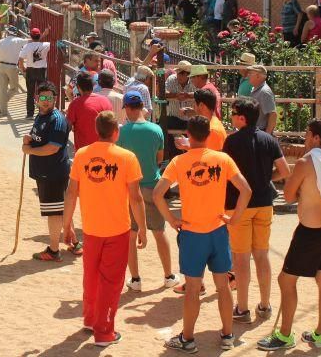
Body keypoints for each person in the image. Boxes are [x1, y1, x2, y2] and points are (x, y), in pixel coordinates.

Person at [154, 116, 252, 353]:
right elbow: (246, 190)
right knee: (223, 286)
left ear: (189, 134)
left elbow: (158, 194)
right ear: (209, 134)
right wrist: (235, 218)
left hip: (192, 233)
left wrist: (172, 220)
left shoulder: (179, 161)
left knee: (192, 288)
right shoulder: (223, 159)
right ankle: (228, 335)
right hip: (218, 231)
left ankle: (187, 339)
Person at [63, 111, 147, 347]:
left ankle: (90, 320)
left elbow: (71, 192)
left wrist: (67, 224)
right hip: (117, 228)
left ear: (96, 129)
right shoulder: (126, 157)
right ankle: (104, 332)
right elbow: (136, 197)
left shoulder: (81, 155)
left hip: (91, 228)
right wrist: (142, 227)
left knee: (90, 277)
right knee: (111, 282)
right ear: (116, 132)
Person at [257, 118, 321, 351]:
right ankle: (320, 335)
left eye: (307, 134)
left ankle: (284, 336)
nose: (304, 139)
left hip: (311, 231)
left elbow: (289, 195)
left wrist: (299, 185)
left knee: (286, 280)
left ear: (316, 137)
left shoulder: (305, 162)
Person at [223, 97, 291, 324]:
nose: (231, 118)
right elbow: (284, 170)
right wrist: (265, 179)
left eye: (233, 114)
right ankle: (264, 304)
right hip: (264, 203)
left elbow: (227, 175)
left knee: (241, 259)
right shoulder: (268, 139)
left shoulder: (231, 141)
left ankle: (242, 308)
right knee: (261, 255)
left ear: (241, 118)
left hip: (238, 205)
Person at [118, 91, 178, 292]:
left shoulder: (123, 132)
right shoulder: (156, 130)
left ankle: (135, 279)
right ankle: (169, 275)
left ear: (127, 108)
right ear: (142, 106)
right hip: (153, 185)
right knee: (159, 231)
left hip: (131, 187)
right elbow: (159, 158)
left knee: (131, 234)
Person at [22, 81, 83, 261]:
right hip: (46, 171)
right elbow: (41, 139)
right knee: (62, 208)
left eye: (49, 98)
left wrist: (29, 150)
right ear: (37, 99)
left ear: (55, 99)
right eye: (43, 98)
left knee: (54, 212)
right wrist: (30, 139)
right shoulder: (41, 116)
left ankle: (54, 250)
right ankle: (73, 242)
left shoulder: (56, 119)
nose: (46, 101)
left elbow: (52, 148)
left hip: (52, 172)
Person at [66, 72, 112, 151]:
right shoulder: (105, 101)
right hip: (104, 149)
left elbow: (67, 128)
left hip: (84, 151)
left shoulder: (75, 104)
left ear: (78, 87)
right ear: (93, 85)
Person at [0, 26, 27, 115]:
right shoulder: (18, 40)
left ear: (8, 33)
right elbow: (32, 40)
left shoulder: (1, 41)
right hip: (12, 67)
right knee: (14, 89)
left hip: (2, 66)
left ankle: (3, 110)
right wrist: (43, 35)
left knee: (2, 89)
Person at [19, 27, 51, 118]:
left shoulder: (27, 46)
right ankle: (43, 111)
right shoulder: (46, 45)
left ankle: (30, 114)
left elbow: (20, 59)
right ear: (39, 35)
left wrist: (23, 68)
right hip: (41, 71)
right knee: (43, 92)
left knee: (30, 92)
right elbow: (39, 42)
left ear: (30, 36)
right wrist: (45, 34)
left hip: (30, 70)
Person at [165, 61, 195, 130]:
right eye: (178, 73)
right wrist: (175, 95)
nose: (179, 75)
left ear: (188, 75)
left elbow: (200, 94)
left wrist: (187, 95)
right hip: (173, 117)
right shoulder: (171, 79)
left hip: (189, 119)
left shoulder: (193, 81)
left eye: (182, 73)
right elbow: (163, 92)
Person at [248, 65, 277, 134]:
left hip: (261, 132)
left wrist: (267, 135)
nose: (248, 76)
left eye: (250, 74)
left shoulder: (264, 92)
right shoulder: (256, 89)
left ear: (258, 76)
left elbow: (273, 115)